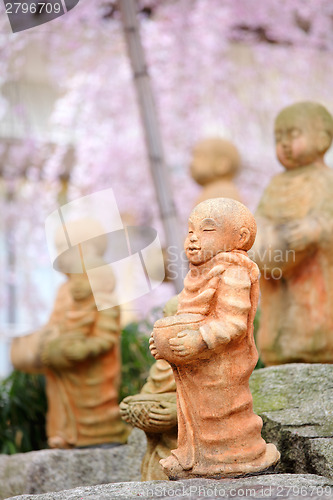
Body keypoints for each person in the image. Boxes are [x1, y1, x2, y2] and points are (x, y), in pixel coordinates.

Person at [150, 198, 280, 479]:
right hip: (197, 366)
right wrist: (165, 342)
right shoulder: (199, 272)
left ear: (240, 238)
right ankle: (194, 458)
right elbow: (187, 315)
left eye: (206, 231)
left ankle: (238, 457)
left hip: (222, 365)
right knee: (193, 414)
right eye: (190, 231)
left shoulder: (233, 271)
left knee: (223, 413)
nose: (193, 239)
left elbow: (232, 323)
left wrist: (198, 340)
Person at [252, 102, 333, 365]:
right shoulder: (275, 184)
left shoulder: (326, 181)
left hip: (317, 277)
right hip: (277, 276)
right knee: (276, 329)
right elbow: (260, 218)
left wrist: (316, 229)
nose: (285, 144)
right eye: (279, 137)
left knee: (315, 325)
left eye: (294, 134)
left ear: (323, 138)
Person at [190, 137, 242, 204]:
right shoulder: (211, 189)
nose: (192, 162)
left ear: (222, 165)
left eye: (200, 156)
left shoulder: (222, 191)